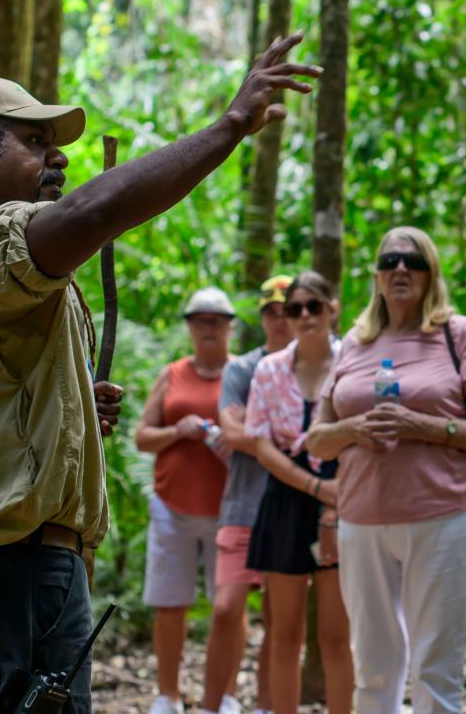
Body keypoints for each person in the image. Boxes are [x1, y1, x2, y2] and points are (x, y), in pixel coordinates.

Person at [0, 33, 320, 712]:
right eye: (32, 141)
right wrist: (230, 125)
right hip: (0, 572)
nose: (56, 156)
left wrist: (69, 405)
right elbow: (91, 212)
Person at [306, 227, 466, 714]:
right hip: (361, 521)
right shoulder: (354, 345)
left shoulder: (456, 333)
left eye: (413, 261)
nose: (401, 269)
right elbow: (317, 439)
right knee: (374, 668)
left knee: (435, 669)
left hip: (445, 518)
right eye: (391, 260)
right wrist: (355, 428)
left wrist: (422, 425)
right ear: (377, 276)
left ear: (430, 273)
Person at [244, 272, 352, 714]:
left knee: (336, 635)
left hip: (345, 495)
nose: (305, 316)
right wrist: (314, 486)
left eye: (314, 306)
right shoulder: (269, 369)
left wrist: (333, 497)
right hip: (287, 498)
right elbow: (259, 443)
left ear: (332, 308)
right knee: (284, 632)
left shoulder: (353, 361)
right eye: (295, 309)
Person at [135, 287, 236, 714]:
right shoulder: (172, 374)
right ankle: (168, 695)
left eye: (216, 320)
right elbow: (143, 437)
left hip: (230, 509)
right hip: (172, 506)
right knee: (170, 603)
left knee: (227, 608)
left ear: (230, 326)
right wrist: (180, 430)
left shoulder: (244, 373)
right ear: (190, 327)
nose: (208, 328)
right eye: (200, 320)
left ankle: (226, 695)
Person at [198, 275, 293, 714]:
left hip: (291, 508)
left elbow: (247, 432)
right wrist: (280, 435)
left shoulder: (313, 367)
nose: (279, 320)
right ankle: (212, 706)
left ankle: (267, 706)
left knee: (281, 619)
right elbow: (230, 430)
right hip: (241, 505)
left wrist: (253, 432)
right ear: (262, 317)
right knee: (225, 609)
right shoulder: (242, 368)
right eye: (271, 312)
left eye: (288, 310)